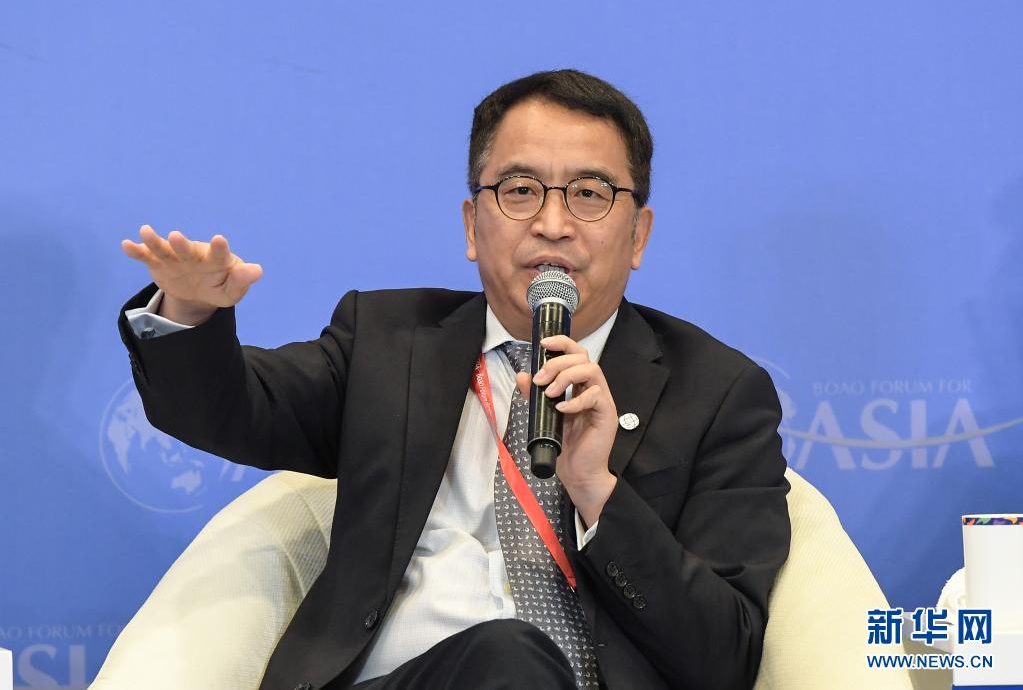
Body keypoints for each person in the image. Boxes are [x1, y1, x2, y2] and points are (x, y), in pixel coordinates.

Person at [118, 70, 790, 689]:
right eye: (520, 191)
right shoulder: (387, 342)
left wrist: (597, 492)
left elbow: (724, 658)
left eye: (589, 194)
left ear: (638, 234)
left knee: (514, 660)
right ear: (472, 225)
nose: (552, 224)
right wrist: (191, 313)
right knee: (506, 655)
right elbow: (228, 410)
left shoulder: (718, 393)